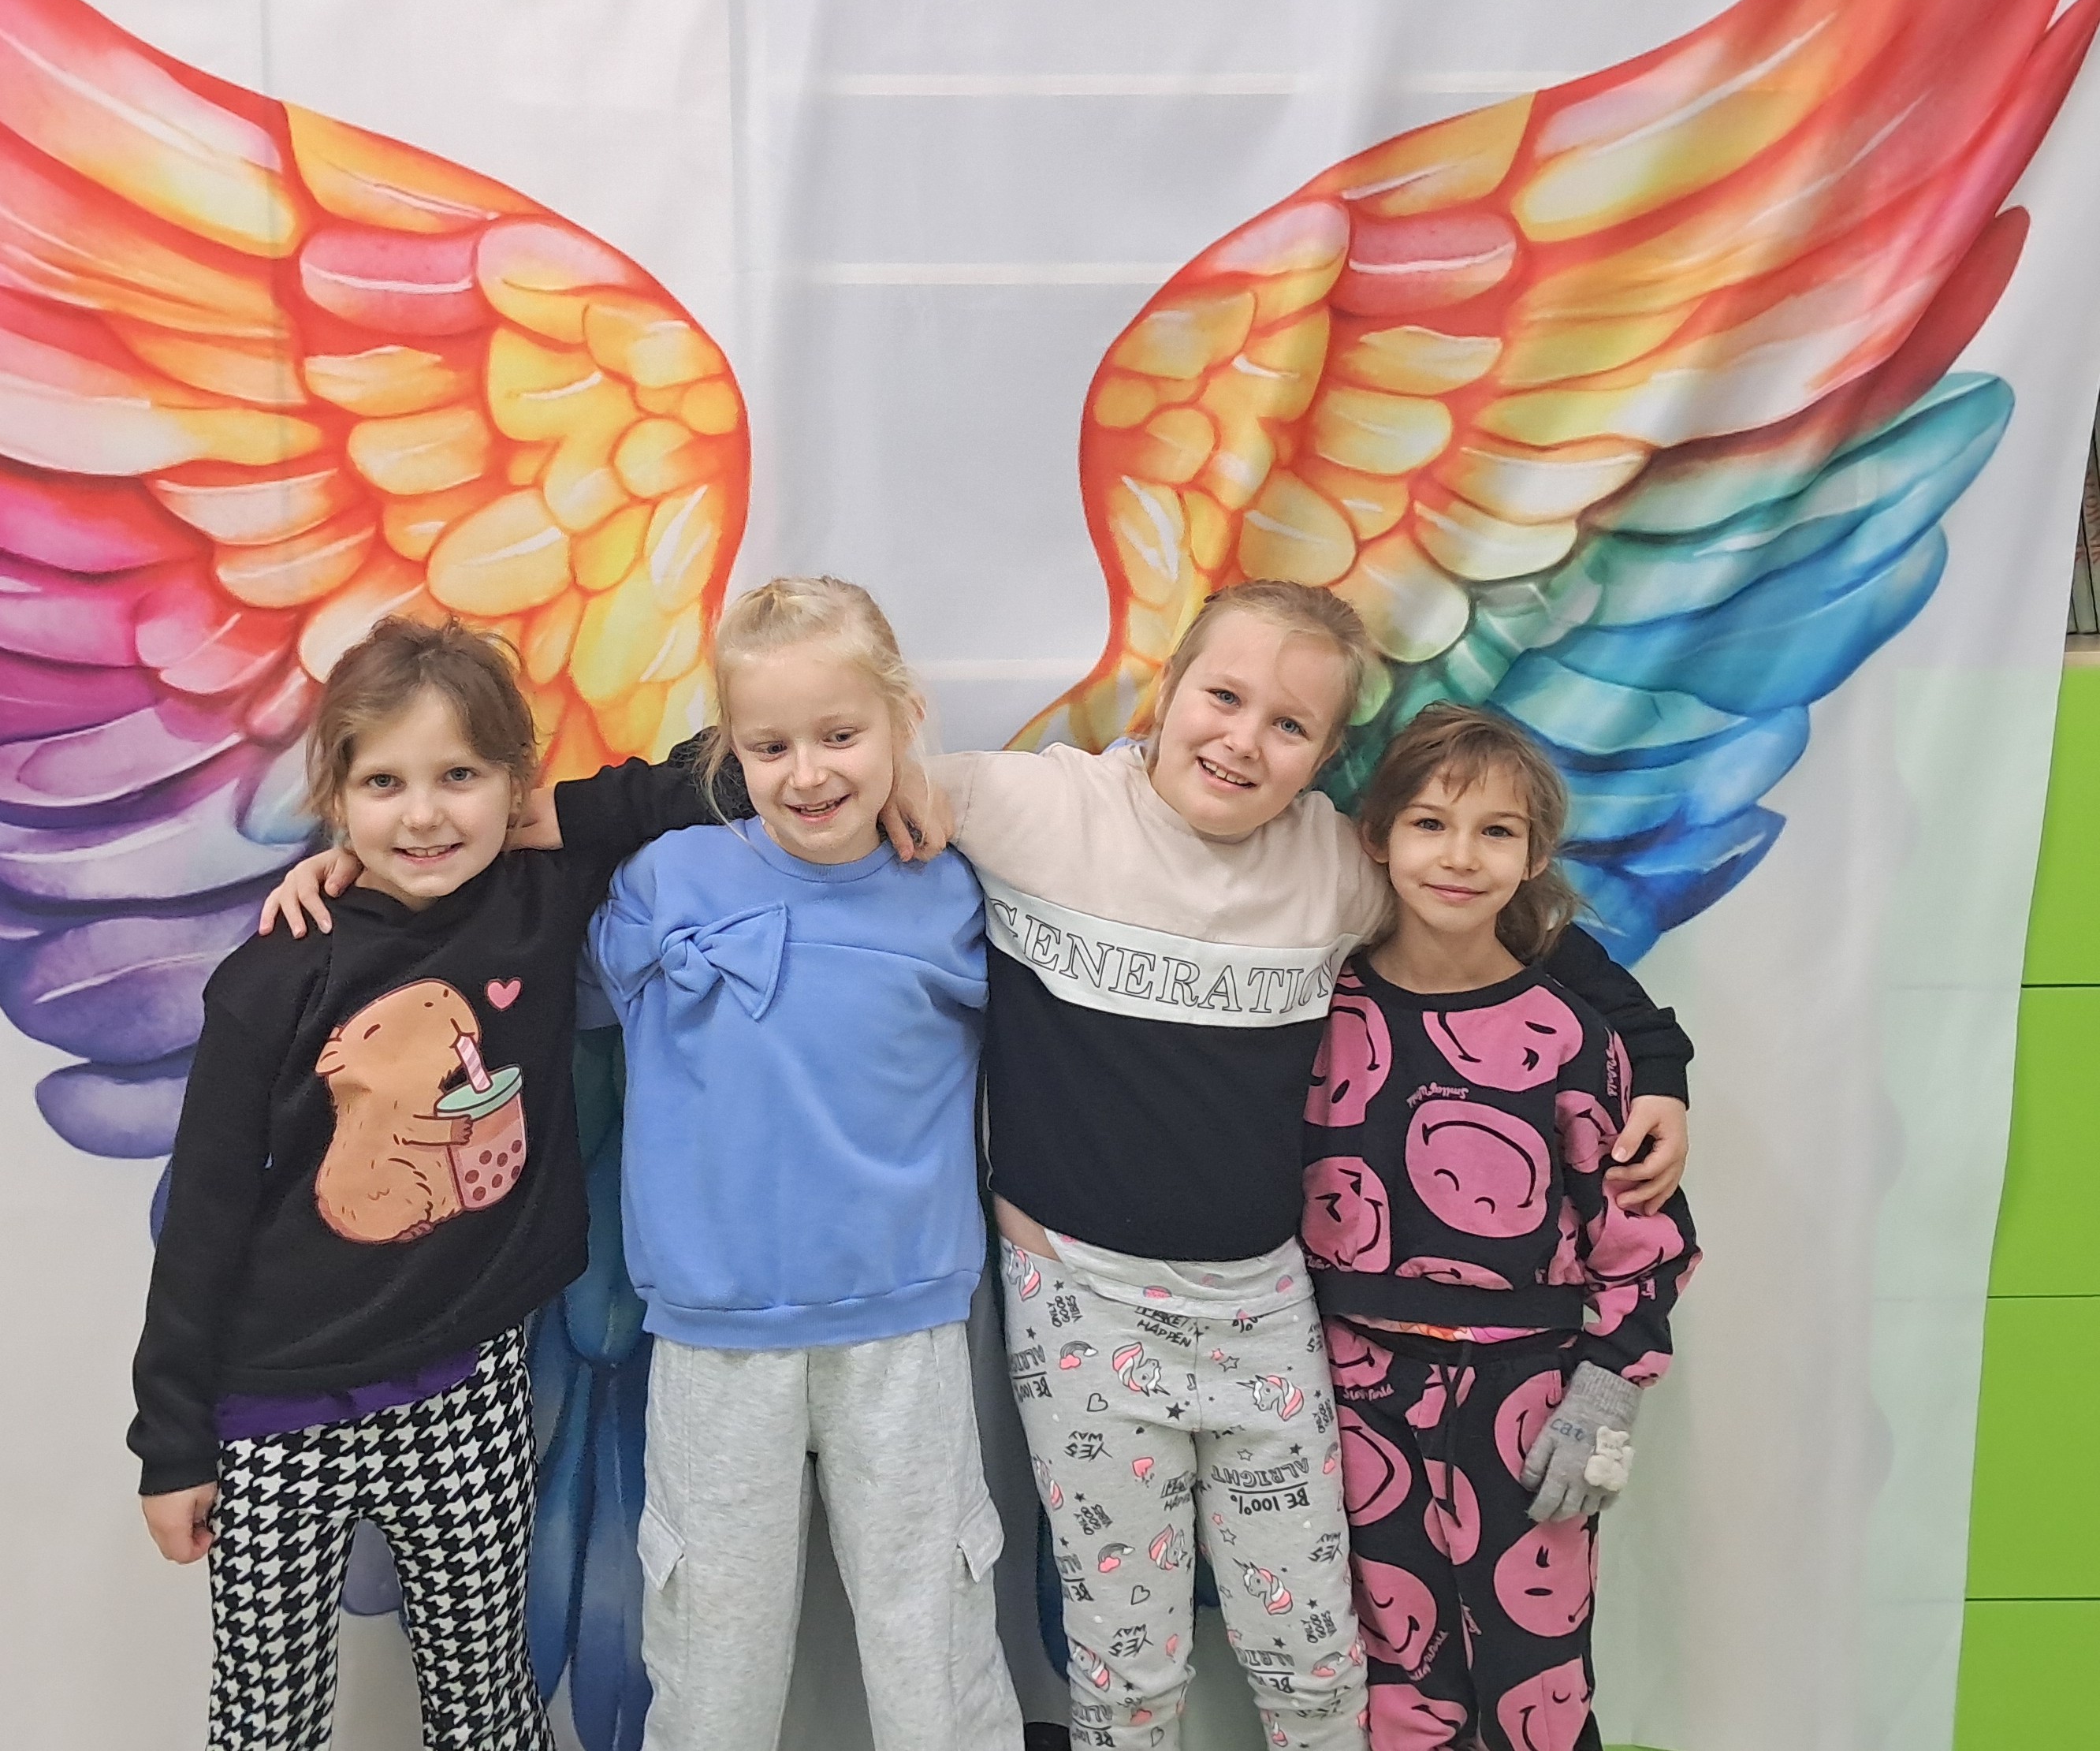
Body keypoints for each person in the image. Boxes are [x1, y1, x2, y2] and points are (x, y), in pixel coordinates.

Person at [919, 581, 1691, 1751]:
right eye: (1224, 697)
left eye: (1288, 724)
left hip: (1267, 1315)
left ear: (1327, 760)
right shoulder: (1035, 804)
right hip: (1080, 1308)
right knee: (1125, 1664)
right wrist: (619, 805)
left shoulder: (1342, 863)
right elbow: (836, 770)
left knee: (1316, 1661)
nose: (1243, 739)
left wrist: (1657, 1061)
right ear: (1167, 690)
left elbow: (1521, 931)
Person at [129, 615, 751, 1751]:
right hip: (274, 1411)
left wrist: (564, 814)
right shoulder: (274, 974)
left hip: (465, 1386)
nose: (423, 814)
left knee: (486, 1704)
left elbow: (732, 775)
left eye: (459, 775)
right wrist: (172, 1443)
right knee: (266, 1720)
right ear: (337, 794)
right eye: (385, 782)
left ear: (513, 782)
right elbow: (205, 1221)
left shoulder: (541, 895)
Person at [586, 575, 1023, 1751]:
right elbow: (513, 939)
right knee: (710, 1662)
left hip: (905, 1325)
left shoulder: (953, 889)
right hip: (717, 1334)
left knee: (933, 1649)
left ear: (901, 719)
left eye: (840, 735)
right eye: (770, 745)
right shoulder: (666, 881)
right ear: (730, 750)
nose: (808, 773)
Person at [1306, 704, 1699, 1751]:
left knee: (1540, 1684)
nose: (1460, 856)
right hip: (1355, 1393)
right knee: (1396, 1676)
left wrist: (1608, 1394)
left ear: (1532, 859)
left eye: (1496, 831)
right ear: (1376, 836)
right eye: (1431, 823)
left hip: (1532, 1401)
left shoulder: (1572, 1035)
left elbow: (1643, 1241)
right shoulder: (1315, 1012)